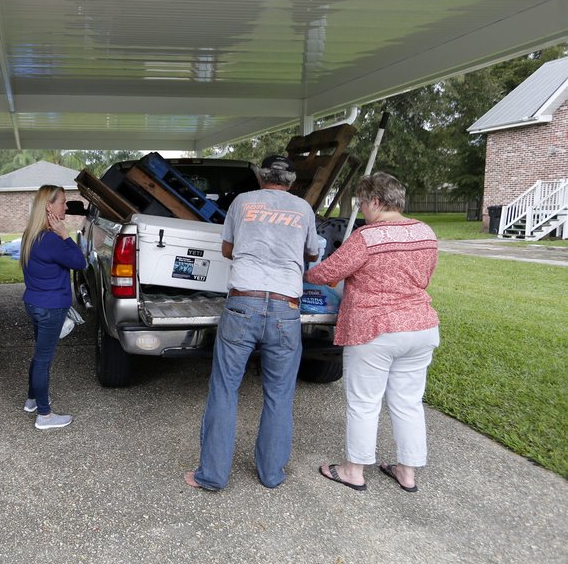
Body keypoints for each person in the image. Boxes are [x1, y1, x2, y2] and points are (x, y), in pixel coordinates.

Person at [185, 155, 319, 490]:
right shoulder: (303, 208)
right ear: (290, 181)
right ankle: (271, 474)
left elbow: (228, 249)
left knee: (225, 389)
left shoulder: (243, 202)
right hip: (286, 309)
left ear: (261, 178)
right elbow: (313, 253)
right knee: (279, 394)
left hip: (243, 303)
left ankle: (212, 476)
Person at [306, 172, 439, 493]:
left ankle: (354, 470)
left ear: (376, 201)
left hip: (374, 330)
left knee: (364, 402)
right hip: (421, 327)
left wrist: (304, 269)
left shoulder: (367, 237)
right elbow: (426, 275)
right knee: (408, 403)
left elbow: (328, 272)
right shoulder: (426, 232)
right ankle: (407, 473)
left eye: (362, 203)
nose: (362, 209)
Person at [20, 184, 86, 430]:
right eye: (63, 202)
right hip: (50, 308)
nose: (66, 207)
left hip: (34, 303)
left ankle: (33, 400)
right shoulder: (51, 240)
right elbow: (80, 262)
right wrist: (66, 235)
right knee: (43, 360)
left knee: (40, 356)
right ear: (49, 206)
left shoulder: (32, 234)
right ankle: (45, 416)